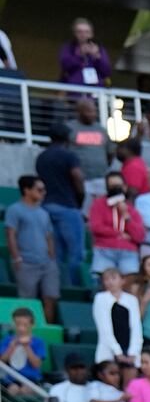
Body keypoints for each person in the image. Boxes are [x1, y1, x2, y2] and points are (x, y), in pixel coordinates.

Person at [36, 126, 89, 299]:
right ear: (67, 139)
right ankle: (74, 289)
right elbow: (77, 177)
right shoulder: (69, 156)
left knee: (56, 254)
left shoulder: (41, 157)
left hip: (45, 207)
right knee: (76, 253)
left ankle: (57, 288)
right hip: (67, 207)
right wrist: (80, 200)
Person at [8, 175, 60, 321]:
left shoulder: (43, 213)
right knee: (27, 301)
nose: (43, 193)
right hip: (26, 261)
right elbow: (11, 234)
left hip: (47, 263)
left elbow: (49, 236)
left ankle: (47, 330)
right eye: (39, 189)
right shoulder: (14, 210)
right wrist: (17, 257)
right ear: (27, 190)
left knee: (51, 297)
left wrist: (52, 258)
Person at [85, 172, 144, 281]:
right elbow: (96, 227)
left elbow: (139, 236)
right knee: (103, 281)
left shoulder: (132, 210)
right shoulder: (98, 204)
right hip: (104, 249)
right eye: (111, 186)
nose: (115, 189)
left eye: (119, 186)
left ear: (125, 187)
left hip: (127, 251)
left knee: (131, 281)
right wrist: (118, 234)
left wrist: (125, 215)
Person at [91, 265, 143, 367]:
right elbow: (104, 327)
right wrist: (117, 352)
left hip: (129, 348)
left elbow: (136, 326)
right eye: (106, 279)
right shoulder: (100, 298)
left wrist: (133, 352)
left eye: (113, 278)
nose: (110, 282)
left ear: (122, 280)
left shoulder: (132, 299)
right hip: (108, 349)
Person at [0, 307, 46, 402]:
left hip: (31, 380)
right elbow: (2, 361)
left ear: (32, 325)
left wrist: (26, 347)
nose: (21, 328)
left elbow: (36, 364)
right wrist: (11, 347)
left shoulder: (38, 342)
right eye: (18, 324)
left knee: (26, 390)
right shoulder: (7, 340)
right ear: (13, 324)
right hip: (11, 380)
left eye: (25, 325)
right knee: (13, 390)